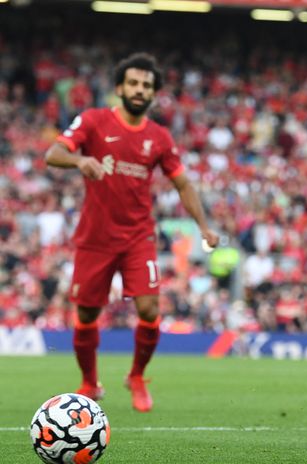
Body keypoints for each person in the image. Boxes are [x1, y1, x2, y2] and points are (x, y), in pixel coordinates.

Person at [45, 52, 219, 412]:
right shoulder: (94, 121)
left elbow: (183, 184)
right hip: (95, 237)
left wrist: (204, 226)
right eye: (134, 83)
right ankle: (90, 383)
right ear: (120, 87)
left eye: (146, 86)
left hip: (138, 237)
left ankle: (137, 376)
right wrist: (81, 160)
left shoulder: (159, 137)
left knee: (150, 307)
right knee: (88, 314)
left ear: (153, 94)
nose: (140, 90)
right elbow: (54, 153)